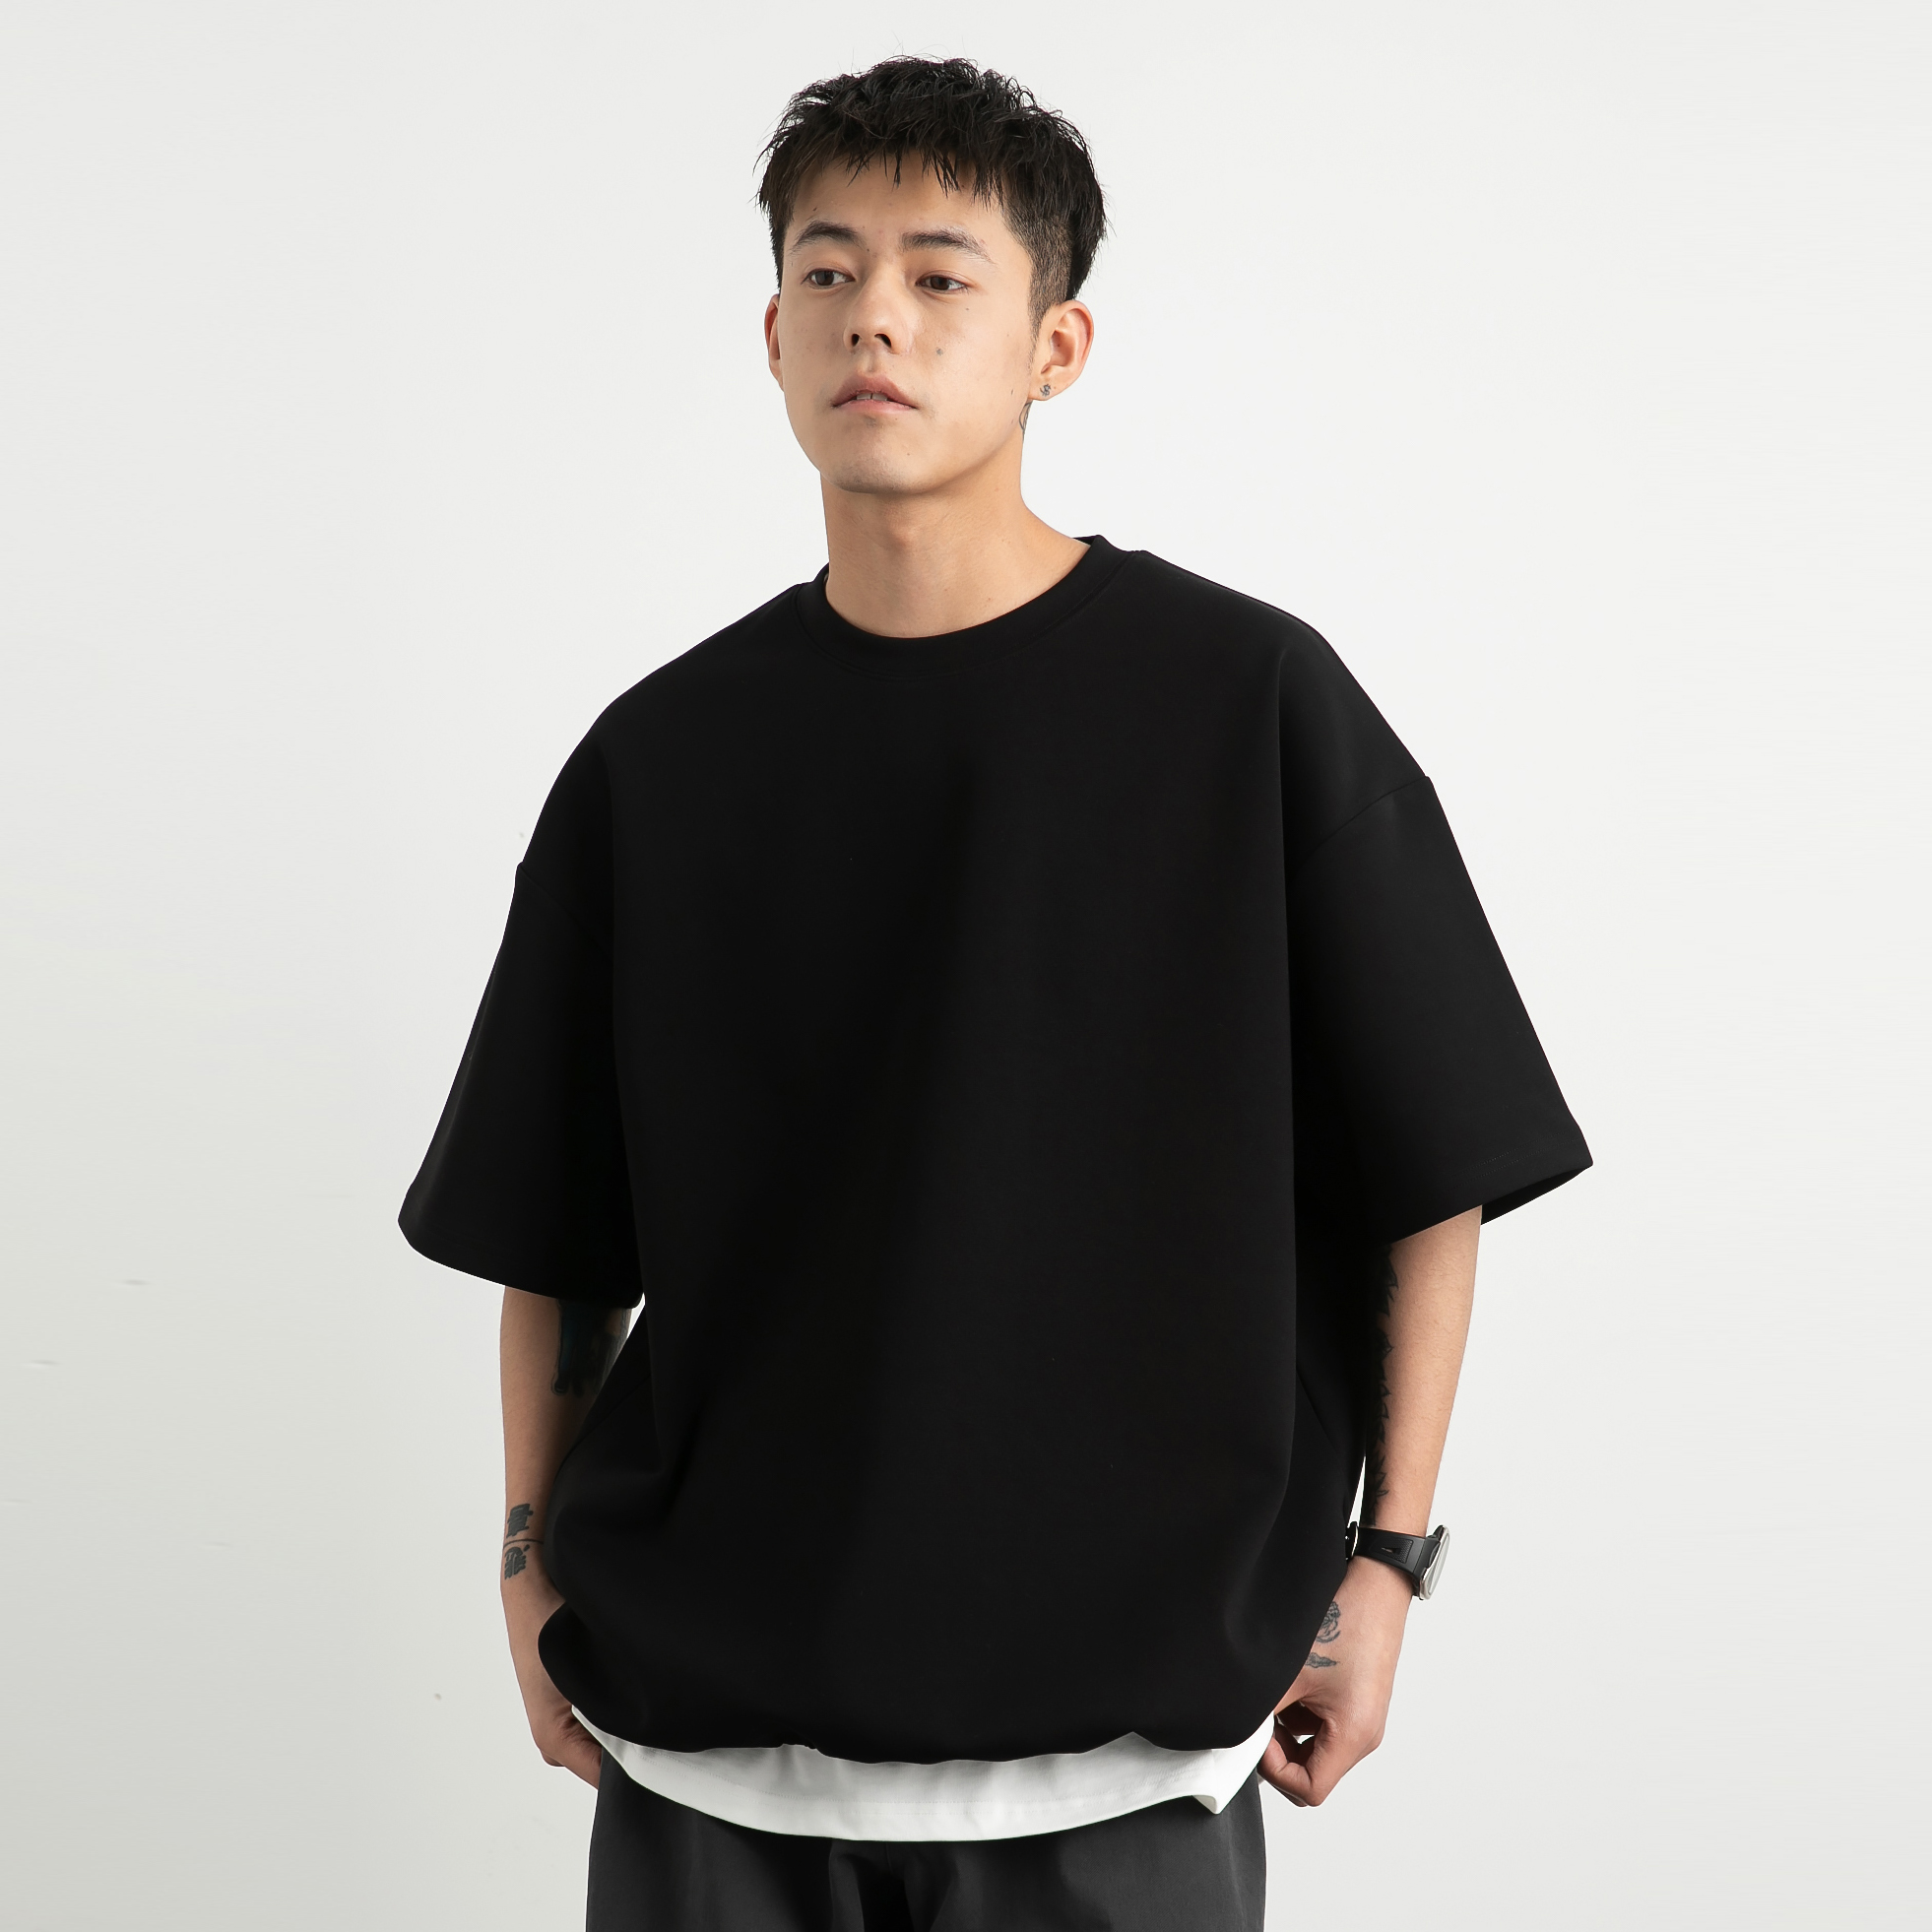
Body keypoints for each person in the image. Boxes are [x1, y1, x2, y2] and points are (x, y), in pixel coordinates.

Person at [400, 55, 1590, 1931]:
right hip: (708, 1758)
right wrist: (523, 1562)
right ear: (771, 334)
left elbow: (1427, 1168)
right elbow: (555, 1227)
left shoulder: (1249, 709)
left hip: (1123, 1766)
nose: (873, 314)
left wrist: (1387, 1561)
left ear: (1057, 345)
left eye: (940, 274)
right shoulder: (661, 759)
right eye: (826, 269)